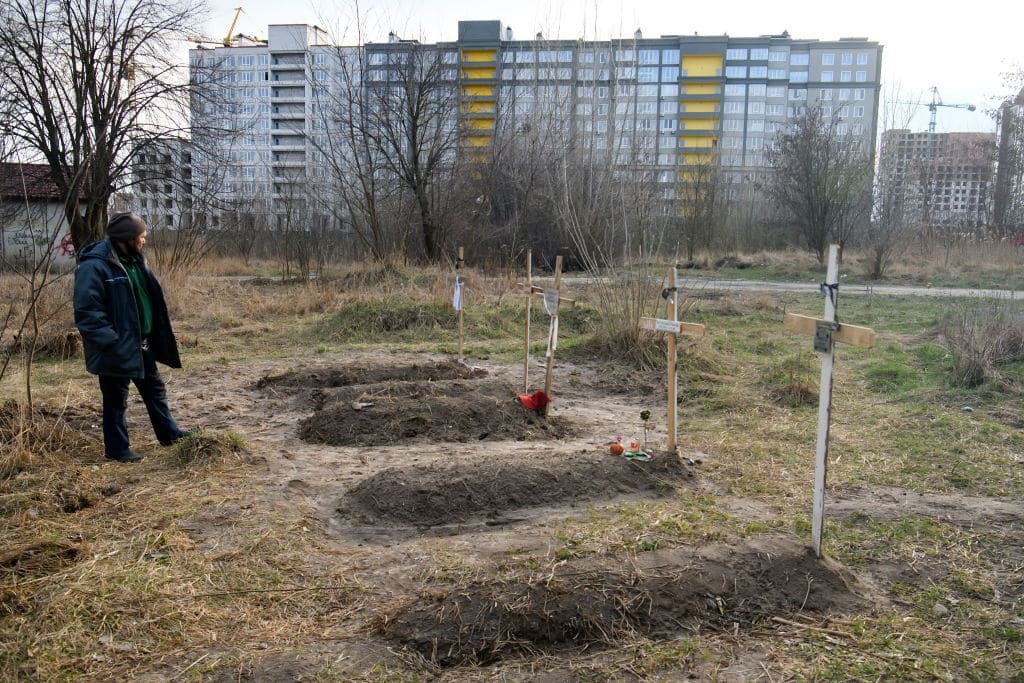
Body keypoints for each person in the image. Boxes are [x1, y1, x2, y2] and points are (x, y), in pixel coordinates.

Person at [73, 212, 190, 463]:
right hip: (115, 347)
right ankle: (117, 450)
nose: (144, 240)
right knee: (116, 400)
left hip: (141, 343)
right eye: (141, 236)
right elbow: (87, 312)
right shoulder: (95, 265)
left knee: (155, 390)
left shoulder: (136, 260)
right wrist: (111, 342)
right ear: (127, 239)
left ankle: (169, 434)